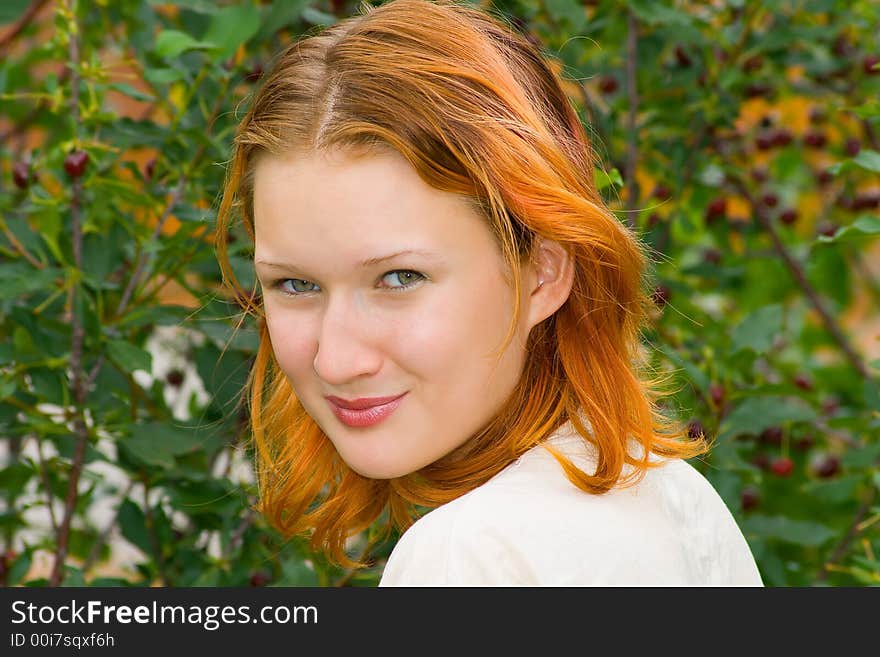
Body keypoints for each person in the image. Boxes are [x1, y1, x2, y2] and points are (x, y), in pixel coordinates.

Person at [215, 0, 763, 586]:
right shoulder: (671, 496)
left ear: (541, 275)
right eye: (294, 284)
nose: (336, 359)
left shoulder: (468, 556)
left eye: (400, 279)